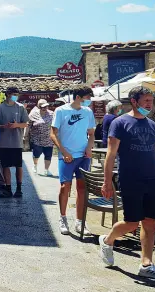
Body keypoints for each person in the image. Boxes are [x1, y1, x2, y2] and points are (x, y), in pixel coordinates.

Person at [99, 86, 155, 281]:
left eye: (151, 101)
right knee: (132, 222)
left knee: (150, 223)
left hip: (153, 181)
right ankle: (108, 240)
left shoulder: (151, 124)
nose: (150, 104)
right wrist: (107, 182)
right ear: (134, 101)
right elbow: (111, 154)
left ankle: (146, 264)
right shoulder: (120, 123)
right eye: (146, 100)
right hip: (131, 179)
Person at [50, 85, 96, 235]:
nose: (89, 101)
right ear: (78, 97)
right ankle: (63, 218)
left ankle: (80, 221)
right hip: (67, 156)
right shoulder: (61, 111)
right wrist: (63, 151)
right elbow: (53, 134)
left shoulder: (88, 112)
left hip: (83, 157)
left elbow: (91, 134)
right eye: (87, 98)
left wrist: (89, 147)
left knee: (82, 189)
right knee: (65, 187)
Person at [0, 86, 29, 198]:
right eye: (14, 94)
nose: (16, 96)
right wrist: (4, 126)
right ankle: (8, 188)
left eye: (17, 94)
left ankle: (19, 189)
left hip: (17, 142)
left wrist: (16, 125)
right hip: (4, 142)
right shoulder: (0, 108)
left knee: (18, 166)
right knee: (5, 166)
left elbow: (26, 123)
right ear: (8, 94)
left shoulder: (21, 108)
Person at [27, 99, 55, 176]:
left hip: (48, 139)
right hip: (37, 138)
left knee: (48, 155)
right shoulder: (33, 114)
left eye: (46, 106)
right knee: (36, 154)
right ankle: (35, 165)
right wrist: (25, 136)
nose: (45, 108)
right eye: (43, 107)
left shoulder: (52, 114)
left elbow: (56, 125)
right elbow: (28, 125)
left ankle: (46, 170)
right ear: (39, 107)